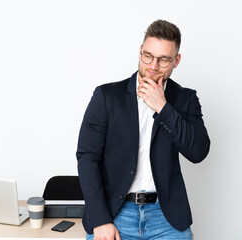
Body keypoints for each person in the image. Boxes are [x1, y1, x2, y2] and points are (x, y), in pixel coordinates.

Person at [76, 19, 210, 240]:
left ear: (176, 61)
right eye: (148, 56)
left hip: (165, 217)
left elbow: (198, 152)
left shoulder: (186, 99)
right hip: (115, 213)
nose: (153, 66)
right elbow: (87, 158)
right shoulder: (106, 97)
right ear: (140, 51)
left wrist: (163, 107)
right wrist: (100, 220)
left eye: (164, 59)